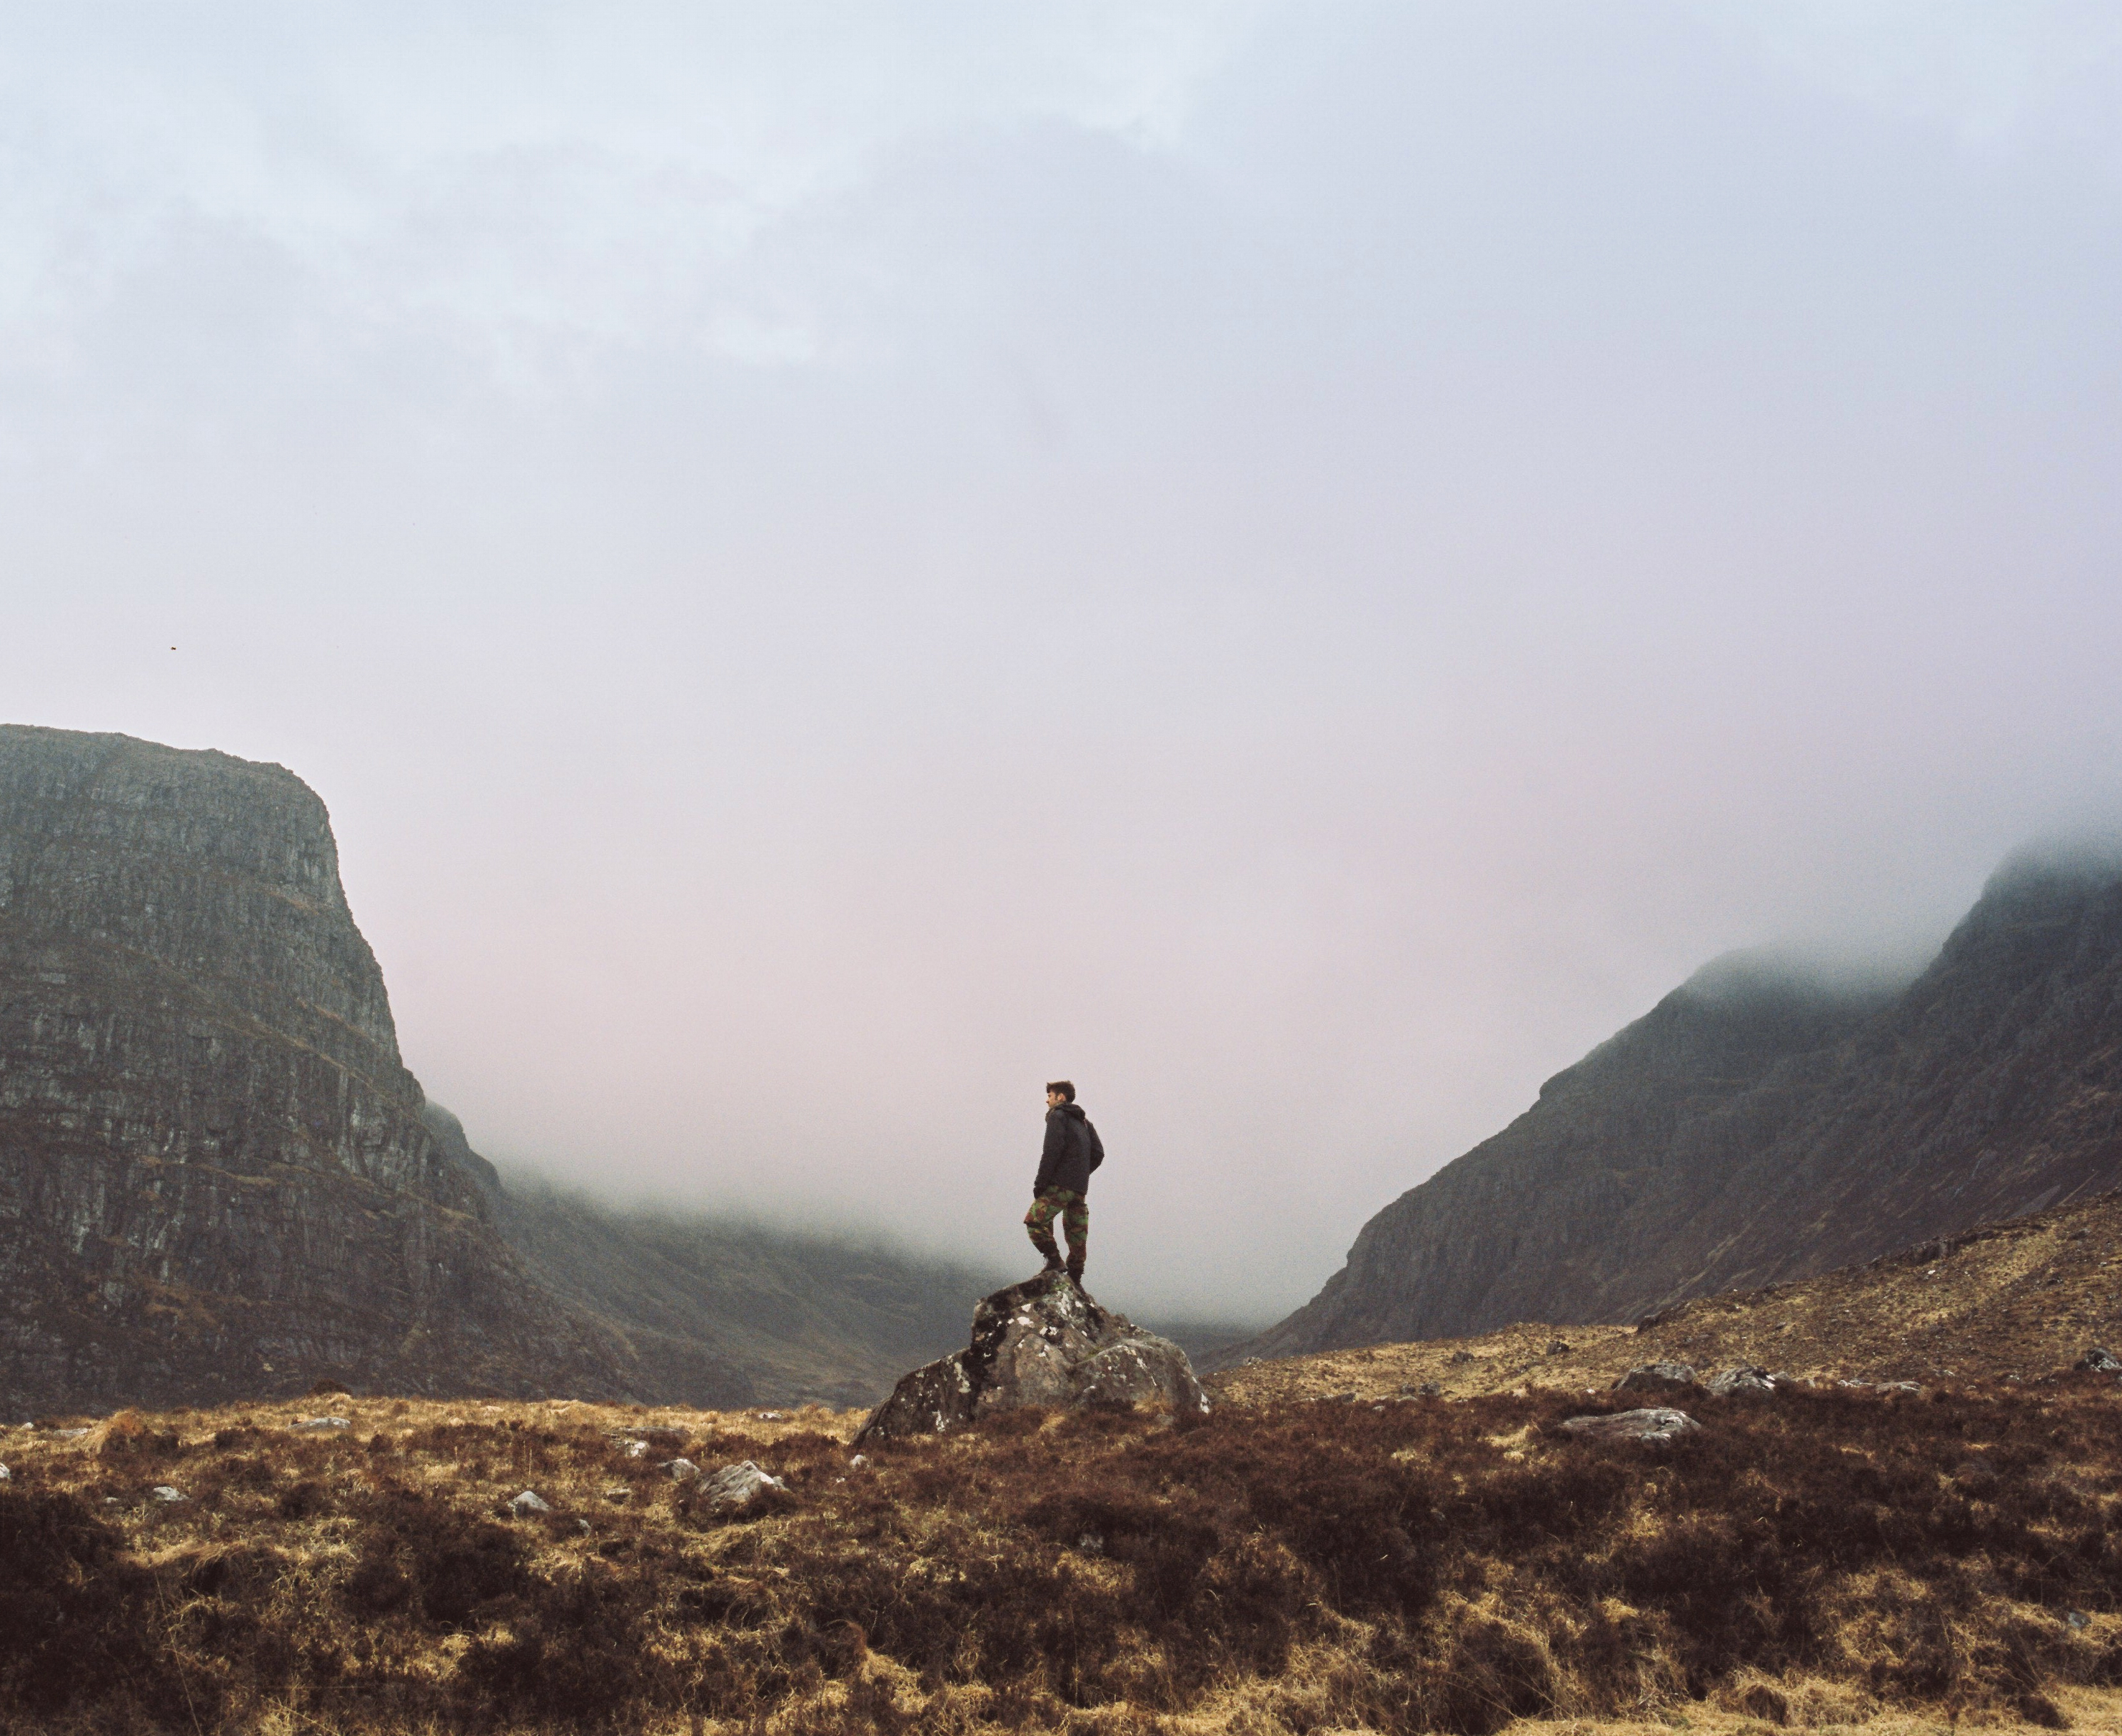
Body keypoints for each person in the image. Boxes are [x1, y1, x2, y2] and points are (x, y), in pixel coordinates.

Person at [1025, 1079, 1102, 1285]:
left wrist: (1041, 1183)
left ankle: (1054, 1261)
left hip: (1060, 1185)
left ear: (1060, 1097)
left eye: (1050, 1096)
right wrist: (1080, 1174)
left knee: (1034, 1221)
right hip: (1079, 1190)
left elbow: (1052, 1150)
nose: (1047, 1100)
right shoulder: (1086, 1123)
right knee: (1077, 1235)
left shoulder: (1057, 1116)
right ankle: (1075, 1281)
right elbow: (1099, 1154)